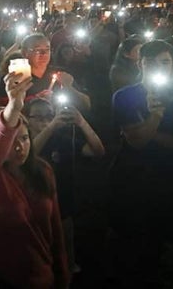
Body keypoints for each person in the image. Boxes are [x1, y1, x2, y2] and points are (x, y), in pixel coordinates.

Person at [107, 40, 173, 286]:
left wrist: (147, 131)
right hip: (132, 177)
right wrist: (156, 115)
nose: (158, 68)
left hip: (169, 178)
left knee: (162, 236)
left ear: (172, 65)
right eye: (151, 63)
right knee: (130, 237)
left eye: (165, 62)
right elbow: (137, 143)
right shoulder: (125, 96)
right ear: (140, 64)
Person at [0, 71, 69, 289]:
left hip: (41, 276)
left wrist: (62, 276)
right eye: (11, 140)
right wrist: (13, 106)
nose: (20, 147)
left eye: (24, 138)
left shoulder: (42, 170)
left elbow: (55, 230)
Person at [25, 97, 105, 276]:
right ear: (27, 119)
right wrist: (51, 126)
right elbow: (29, 156)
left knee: (65, 244)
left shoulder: (61, 139)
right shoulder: (22, 140)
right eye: (38, 116)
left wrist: (82, 122)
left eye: (49, 115)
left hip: (63, 203)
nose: (44, 120)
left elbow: (98, 151)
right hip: (33, 206)